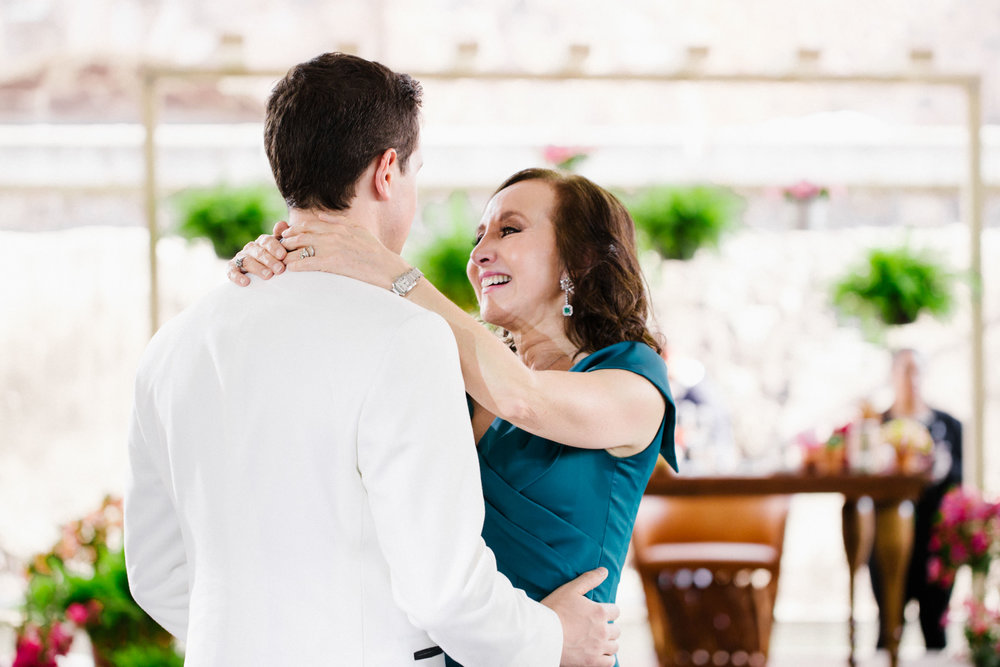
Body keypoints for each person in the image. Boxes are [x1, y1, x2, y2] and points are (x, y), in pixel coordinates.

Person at [125, 52, 620, 667]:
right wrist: (556, 638)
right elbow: (444, 591)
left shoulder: (173, 345)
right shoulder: (407, 338)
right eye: (414, 173)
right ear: (388, 172)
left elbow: (154, 574)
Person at [232, 166, 678, 665]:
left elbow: (524, 399)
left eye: (508, 229)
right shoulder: (453, 380)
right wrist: (282, 266)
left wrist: (388, 270)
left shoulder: (635, 377)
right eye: (478, 235)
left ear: (582, 256)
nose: (480, 251)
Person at [868, 348, 962, 650]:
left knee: (935, 632)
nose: (912, 379)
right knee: (888, 629)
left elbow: (958, 484)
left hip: (934, 542)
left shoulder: (949, 425)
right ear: (892, 376)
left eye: (917, 370)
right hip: (886, 540)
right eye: (905, 370)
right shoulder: (875, 425)